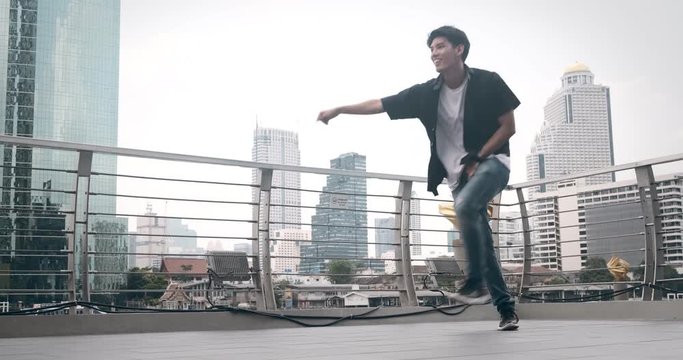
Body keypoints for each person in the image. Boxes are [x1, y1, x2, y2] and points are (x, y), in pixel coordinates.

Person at [316, 25, 520, 331]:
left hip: (492, 164)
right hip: (458, 177)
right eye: (431, 50)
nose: (434, 54)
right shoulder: (427, 93)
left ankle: (475, 283)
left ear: (459, 49)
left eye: (439, 47)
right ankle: (506, 311)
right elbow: (380, 104)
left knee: (464, 208)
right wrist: (340, 109)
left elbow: (508, 127)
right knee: (483, 244)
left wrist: (478, 156)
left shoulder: (489, 82)